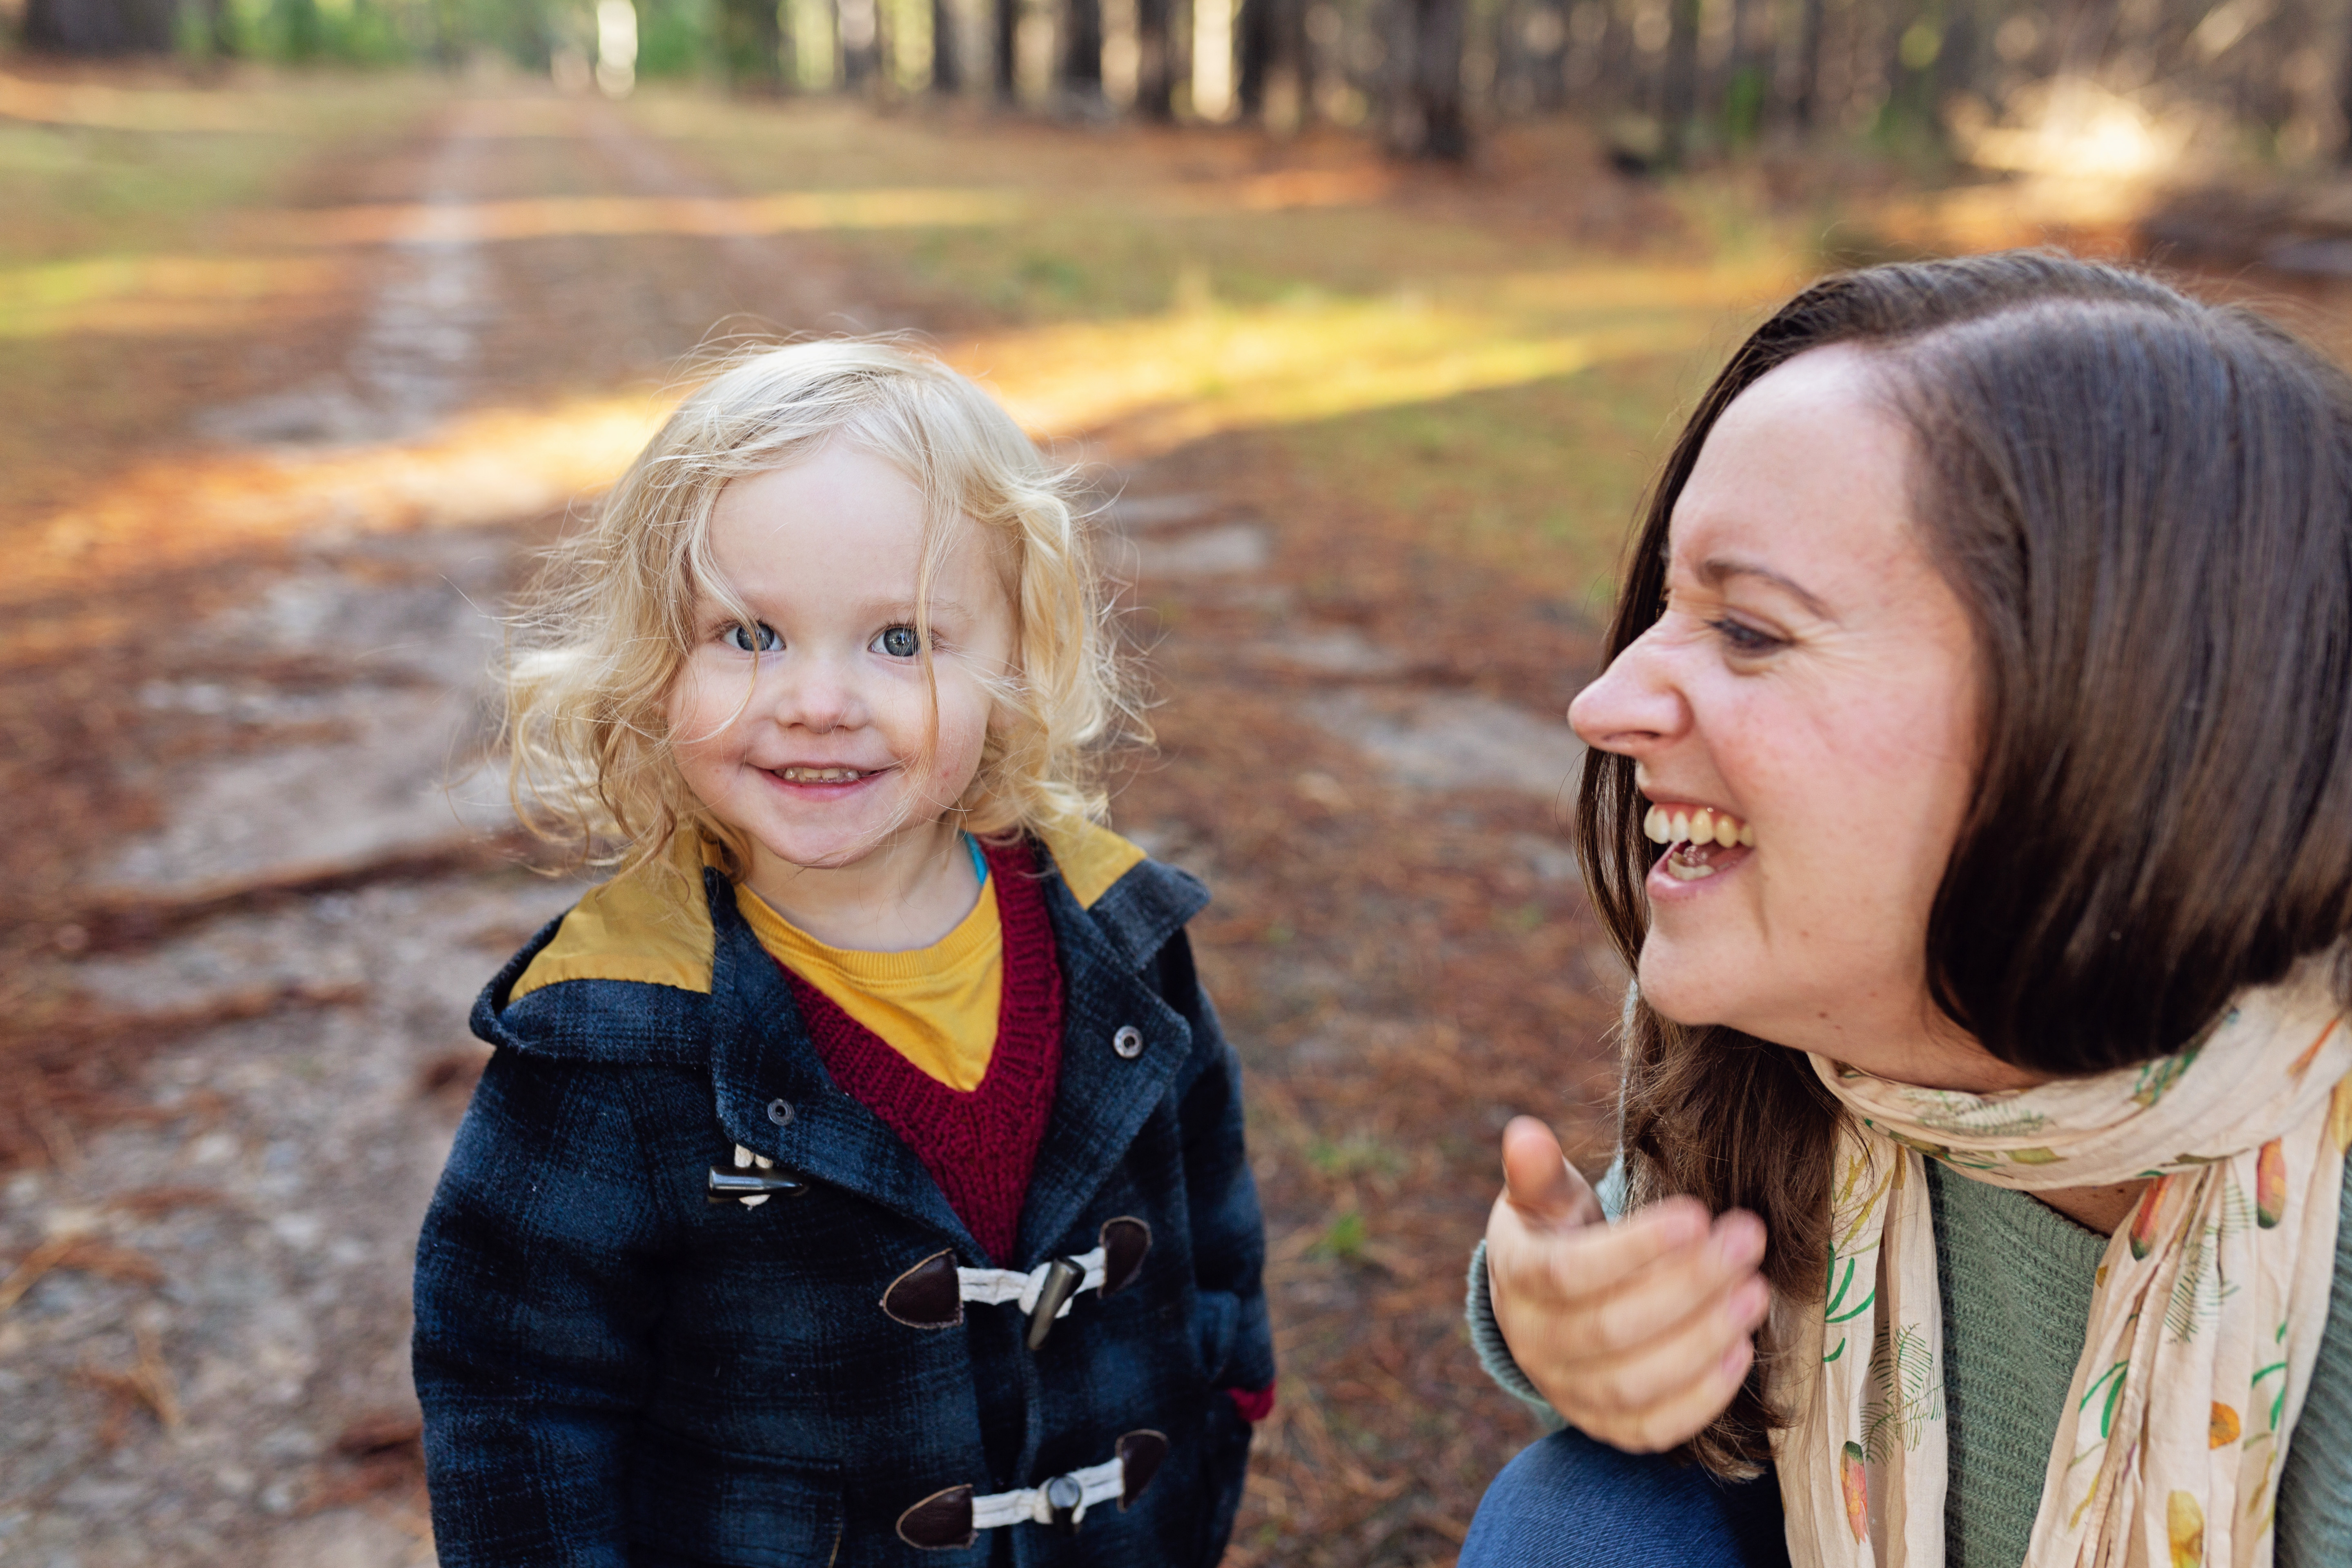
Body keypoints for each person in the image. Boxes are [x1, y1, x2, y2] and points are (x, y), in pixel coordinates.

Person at [1460, 253, 2352, 1568]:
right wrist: (1561, 1314)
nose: (1605, 704)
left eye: (1749, 631)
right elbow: (1665, 1353)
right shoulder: (1827, 1069)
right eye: (1666, 604)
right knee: (1586, 1522)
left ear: (2111, 728)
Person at [412, 340, 1273, 1566]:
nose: (819, 701)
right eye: (751, 636)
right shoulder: (611, 1035)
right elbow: (515, 1386)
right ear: (658, 659)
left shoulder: (1116, 933)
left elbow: (1209, 1182)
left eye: (903, 640)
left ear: (1014, 663)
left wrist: (1231, 1383)